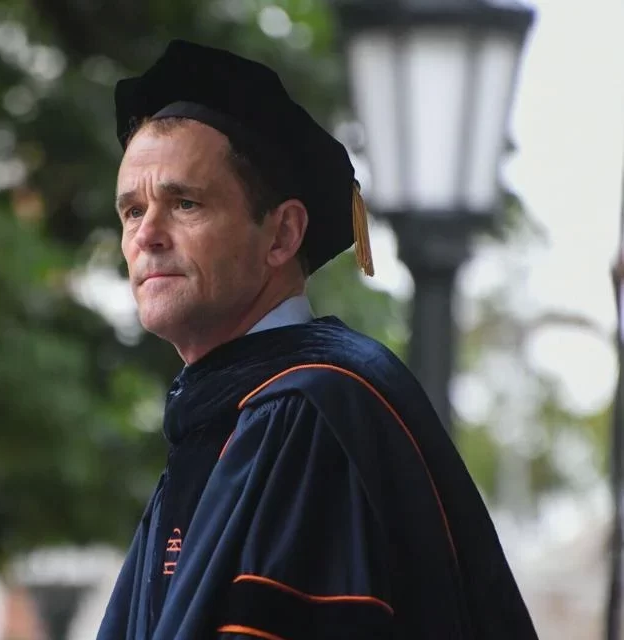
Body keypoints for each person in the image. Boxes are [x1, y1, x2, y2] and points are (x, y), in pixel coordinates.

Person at [97, 40, 538, 640]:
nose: (146, 235)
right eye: (130, 211)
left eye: (185, 203)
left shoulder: (307, 414)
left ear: (281, 236)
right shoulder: (222, 415)